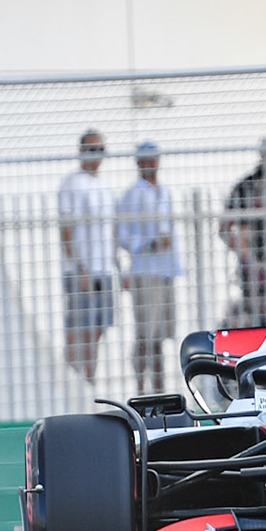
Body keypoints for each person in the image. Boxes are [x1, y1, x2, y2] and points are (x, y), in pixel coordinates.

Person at [117, 141, 182, 394]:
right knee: (145, 333)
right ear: (138, 163)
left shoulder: (164, 191)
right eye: (146, 159)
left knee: (161, 335)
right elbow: (121, 234)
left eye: (154, 158)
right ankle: (140, 388)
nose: (151, 163)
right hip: (145, 272)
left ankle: (160, 389)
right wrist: (149, 243)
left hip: (166, 271)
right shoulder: (133, 194)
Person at [57, 128, 116, 381]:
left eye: (100, 150)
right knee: (79, 325)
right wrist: (80, 267)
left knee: (98, 327)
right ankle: (73, 376)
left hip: (103, 269)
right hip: (82, 270)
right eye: (92, 149)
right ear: (81, 151)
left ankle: (89, 377)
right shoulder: (73, 184)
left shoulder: (102, 186)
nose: (96, 155)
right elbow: (66, 228)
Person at [220, 158, 266, 325]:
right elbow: (224, 228)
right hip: (253, 266)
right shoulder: (246, 187)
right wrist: (245, 252)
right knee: (255, 315)